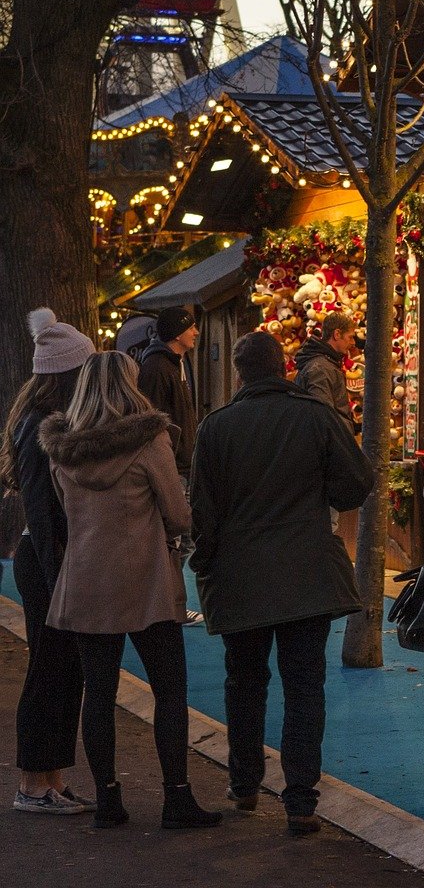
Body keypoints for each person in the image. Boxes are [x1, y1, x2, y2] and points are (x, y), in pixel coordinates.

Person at [189, 331, 375, 835]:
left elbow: (201, 510)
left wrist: (205, 565)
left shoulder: (216, 429)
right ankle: (300, 800)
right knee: (304, 687)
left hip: (241, 576)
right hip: (307, 574)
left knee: (244, 683)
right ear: (283, 368)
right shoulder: (314, 417)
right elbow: (358, 480)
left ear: (239, 373)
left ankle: (245, 783)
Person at [40, 351, 219, 829]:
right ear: (129, 385)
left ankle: (110, 799)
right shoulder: (149, 440)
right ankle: (176, 798)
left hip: (85, 583)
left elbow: (65, 511)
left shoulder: (62, 449)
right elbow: (180, 515)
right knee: (169, 689)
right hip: (146, 584)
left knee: (97, 693)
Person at [5, 309, 93, 815]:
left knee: (60, 669)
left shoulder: (38, 420)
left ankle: (49, 780)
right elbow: (41, 511)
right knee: (50, 669)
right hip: (47, 564)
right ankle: (34, 784)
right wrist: (59, 574)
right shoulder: (41, 427)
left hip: (47, 562)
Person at [135, 305, 199, 486]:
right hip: (170, 468)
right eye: (191, 328)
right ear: (177, 334)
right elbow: (151, 416)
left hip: (181, 464)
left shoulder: (174, 364)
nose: (196, 332)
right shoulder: (157, 368)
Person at [293, 312, 357, 433]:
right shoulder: (321, 368)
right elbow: (322, 417)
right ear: (337, 334)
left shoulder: (325, 364)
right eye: (350, 337)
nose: (353, 342)